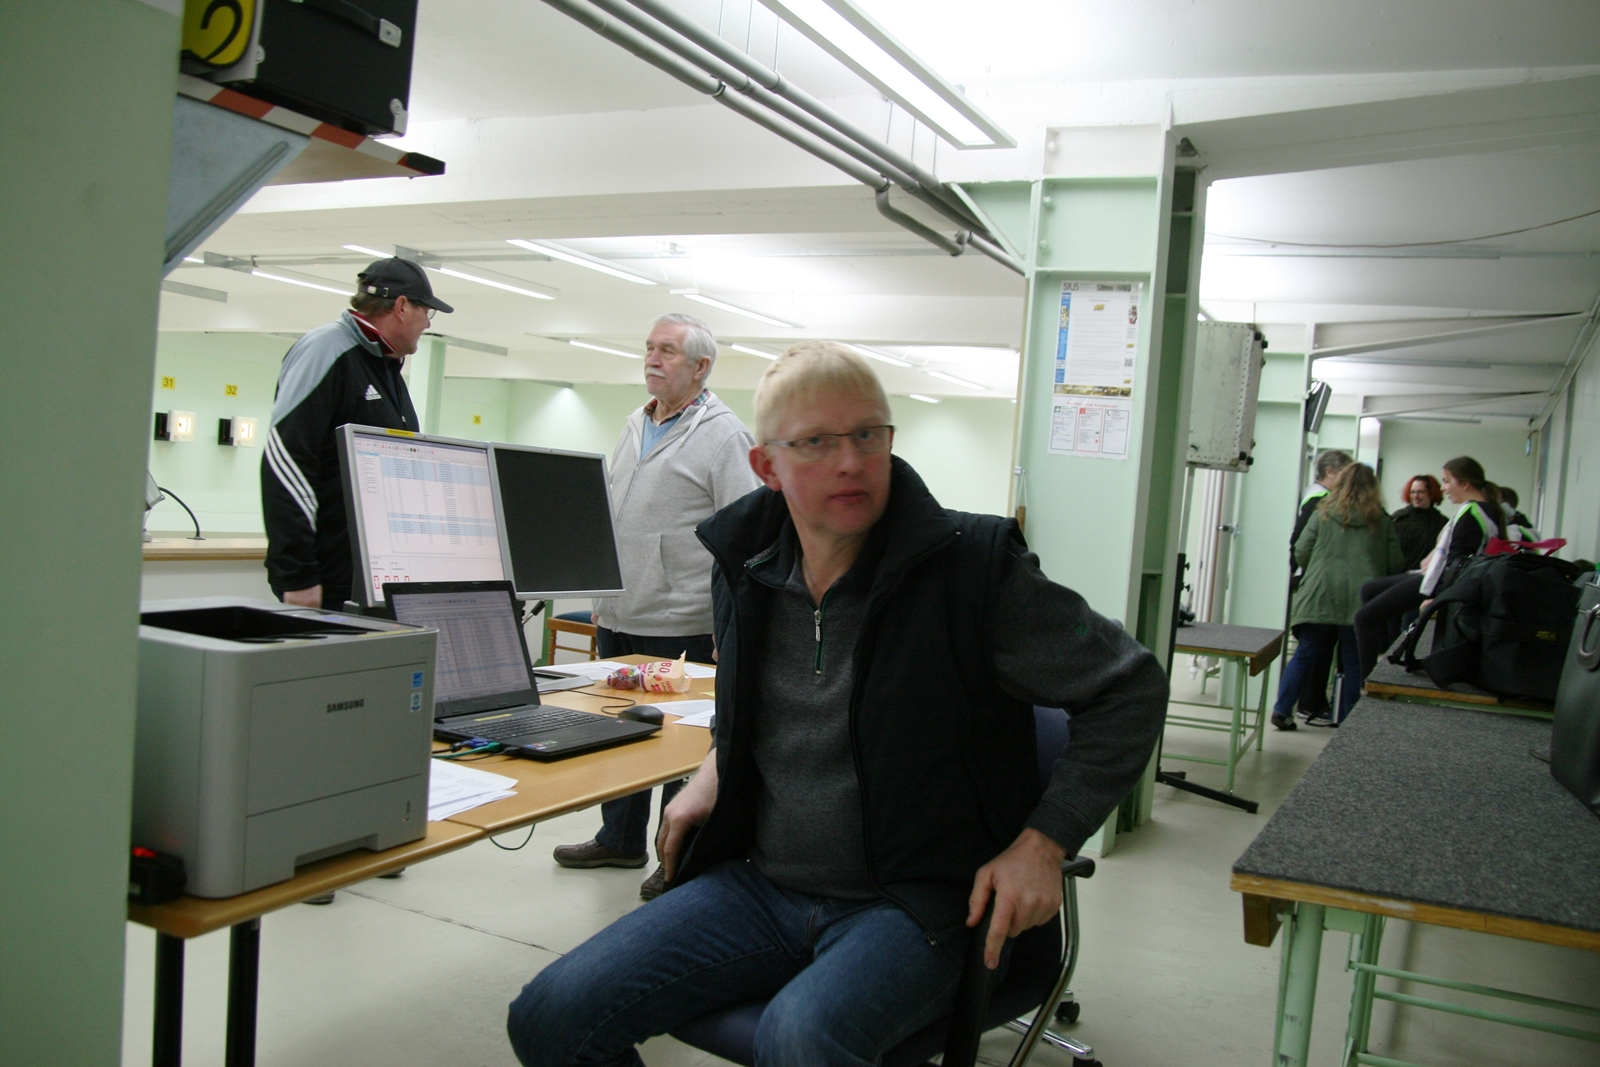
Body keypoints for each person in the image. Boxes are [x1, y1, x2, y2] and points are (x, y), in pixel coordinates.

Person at [507, 342, 1168, 1067]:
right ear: (767, 466)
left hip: (923, 902)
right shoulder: (745, 568)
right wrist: (714, 771)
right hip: (764, 884)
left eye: (868, 435)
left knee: (798, 1039)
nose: (851, 462)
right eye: (817, 442)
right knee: (551, 1014)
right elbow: (756, 706)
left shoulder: (974, 571)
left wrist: (1044, 842)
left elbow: (1129, 685)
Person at [552, 313, 759, 900]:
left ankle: (678, 856)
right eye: (649, 347)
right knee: (618, 729)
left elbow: (746, 534)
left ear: (700, 366)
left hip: (685, 618)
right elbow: (619, 519)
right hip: (623, 612)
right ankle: (619, 839)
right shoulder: (633, 423)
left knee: (678, 746)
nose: (652, 358)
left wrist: (730, 621)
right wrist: (603, 595)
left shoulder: (725, 435)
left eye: (667, 350)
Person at [262, 257, 453, 610]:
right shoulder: (326, 350)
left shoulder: (385, 366)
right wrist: (297, 575)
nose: (427, 323)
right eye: (426, 311)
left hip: (378, 577)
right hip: (329, 579)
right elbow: (286, 460)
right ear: (401, 306)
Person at [1271, 464, 1403, 730]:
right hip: (1361, 598)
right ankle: (1346, 718)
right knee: (1354, 659)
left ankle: (1282, 710)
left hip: (1320, 592)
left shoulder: (1322, 514)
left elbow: (1301, 551)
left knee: (1305, 653)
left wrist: (1319, 568)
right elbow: (1396, 563)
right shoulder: (1382, 520)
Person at [1353, 455, 1499, 680]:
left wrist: (1437, 598)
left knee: (1363, 618)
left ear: (1464, 483)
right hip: (1435, 576)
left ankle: (1366, 681)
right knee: (1369, 589)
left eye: (1447, 481)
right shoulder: (1483, 510)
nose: (1443, 488)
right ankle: (1380, 649)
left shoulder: (1471, 513)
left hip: (1439, 584)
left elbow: (1459, 564)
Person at [1285, 450, 1353, 720]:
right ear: (1330, 473)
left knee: (1317, 647)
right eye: (1344, 474)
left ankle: (1308, 702)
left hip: (1315, 581)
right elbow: (1299, 544)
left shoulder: (1317, 497)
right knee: (1316, 648)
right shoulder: (1318, 500)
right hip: (1316, 583)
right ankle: (1309, 703)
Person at [1391, 474, 1447, 571]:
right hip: (1399, 574)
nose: (1415, 496)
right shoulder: (1398, 518)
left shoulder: (1442, 522)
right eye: (1413, 492)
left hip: (1428, 575)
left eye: (1421, 492)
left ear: (1431, 493)